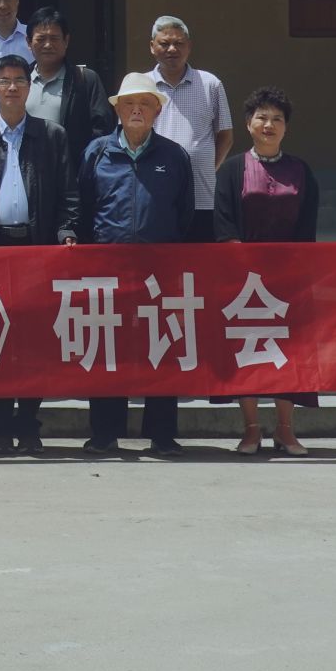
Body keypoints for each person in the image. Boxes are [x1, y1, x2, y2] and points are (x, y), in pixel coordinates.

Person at [0, 56, 78, 453]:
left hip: (35, 247)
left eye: (19, 81)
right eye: (4, 81)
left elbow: (68, 192)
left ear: (29, 87)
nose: (12, 88)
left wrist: (66, 231)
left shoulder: (52, 135)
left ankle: (29, 426)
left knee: (33, 340)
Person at [76, 72, 196, 456]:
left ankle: (162, 434)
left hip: (159, 270)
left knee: (161, 349)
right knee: (107, 350)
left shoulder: (174, 156)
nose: (137, 110)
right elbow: (83, 206)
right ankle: (104, 433)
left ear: (157, 111)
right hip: (107, 267)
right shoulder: (97, 152)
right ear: (118, 110)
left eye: (145, 104)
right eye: (129, 104)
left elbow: (184, 213)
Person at [212, 86, 322, 457]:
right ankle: (251, 429)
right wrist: (243, 262)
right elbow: (224, 223)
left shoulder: (301, 170)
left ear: (286, 127)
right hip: (244, 281)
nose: (268, 124)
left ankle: (286, 430)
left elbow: (307, 228)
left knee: (289, 352)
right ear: (248, 124)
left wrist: (293, 267)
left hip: (289, 279)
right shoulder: (232, 169)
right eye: (261, 117)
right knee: (247, 352)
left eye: (277, 119)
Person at [147, 15, 233, 242]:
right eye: (165, 43)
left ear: (189, 47)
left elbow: (225, 134)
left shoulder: (210, 84)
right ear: (152, 47)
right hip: (155, 194)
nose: (172, 49)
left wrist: (209, 166)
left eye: (179, 43)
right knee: (160, 259)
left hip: (201, 194)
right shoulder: (142, 85)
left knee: (201, 258)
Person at [25, 8, 114, 156]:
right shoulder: (20, 80)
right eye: (41, 39)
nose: (47, 45)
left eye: (54, 38)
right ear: (28, 42)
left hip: (72, 167)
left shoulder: (85, 80)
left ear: (66, 41)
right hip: (26, 166)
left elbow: (102, 131)